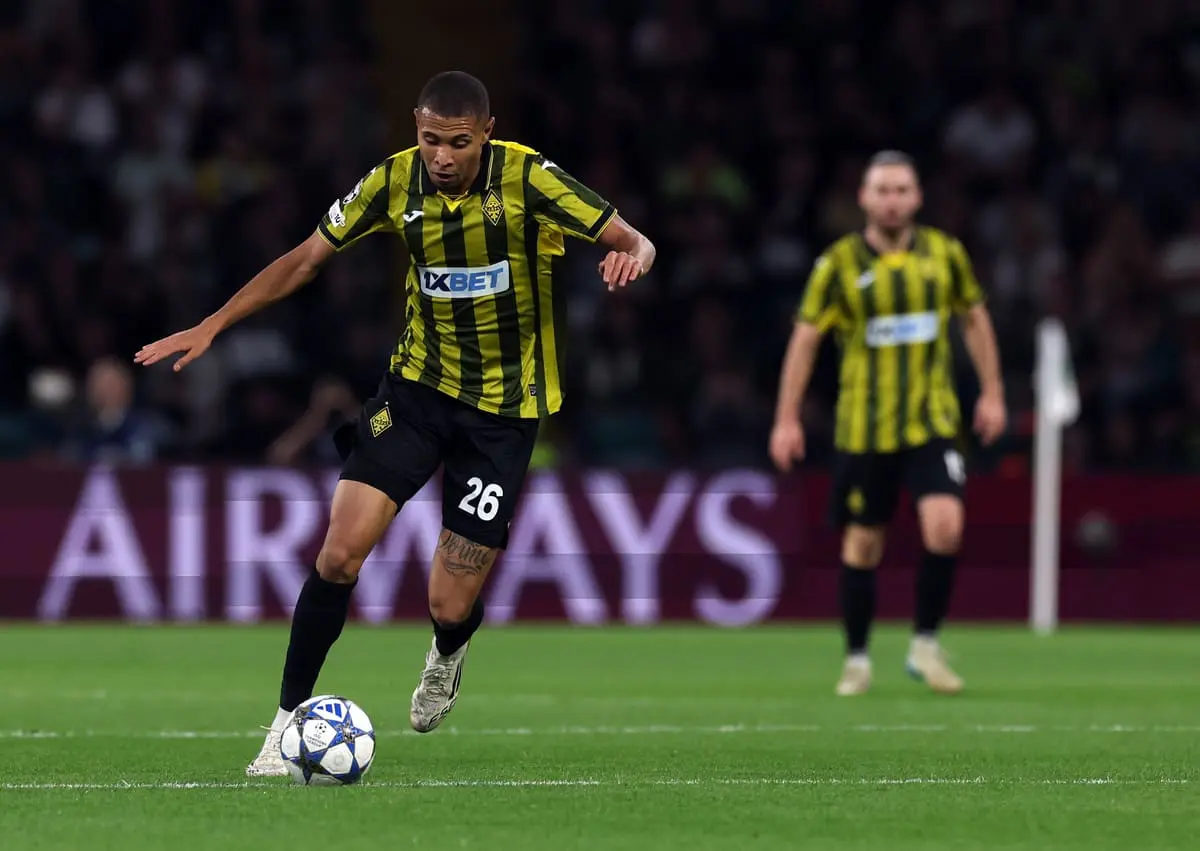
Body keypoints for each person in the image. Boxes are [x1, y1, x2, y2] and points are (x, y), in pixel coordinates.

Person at [135, 71, 655, 774]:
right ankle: (284, 722)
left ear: (487, 133)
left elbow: (634, 237)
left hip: (503, 415)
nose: (442, 156)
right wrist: (215, 322)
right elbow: (305, 259)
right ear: (415, 127)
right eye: (430, 139)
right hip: (415, 392)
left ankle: (448, 649)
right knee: (339, 554)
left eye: (458, 143)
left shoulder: (530, 178)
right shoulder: (391, 182)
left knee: (448, 598)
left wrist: (634, 254)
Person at [769, 150, 1005, 697]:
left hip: (933, 422)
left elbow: (974, 317)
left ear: (918, 197)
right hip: (864, 429)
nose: (892, 200)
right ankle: (856, 659)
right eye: (882, 190)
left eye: (902, 190)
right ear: (864, 198)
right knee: (863, 547)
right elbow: (805, 341)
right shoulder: (838, 265)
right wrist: (787, 418)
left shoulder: (945, 254)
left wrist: (992, 392)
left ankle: (925, 644)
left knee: (946, 526)